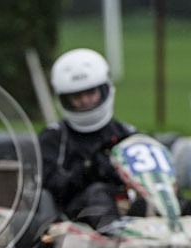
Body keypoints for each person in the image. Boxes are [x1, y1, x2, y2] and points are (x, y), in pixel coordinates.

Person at [38, 48, 137, 236]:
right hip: (76, 209)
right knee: (98, 191)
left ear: (104, 90)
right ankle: (113, 233)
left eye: (90, 93)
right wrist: (87, 171)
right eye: (77, 97)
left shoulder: (126, 133)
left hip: (126, 202)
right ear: (65, 99)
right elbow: (51, 186)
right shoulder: (54, 137)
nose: (85, 102)